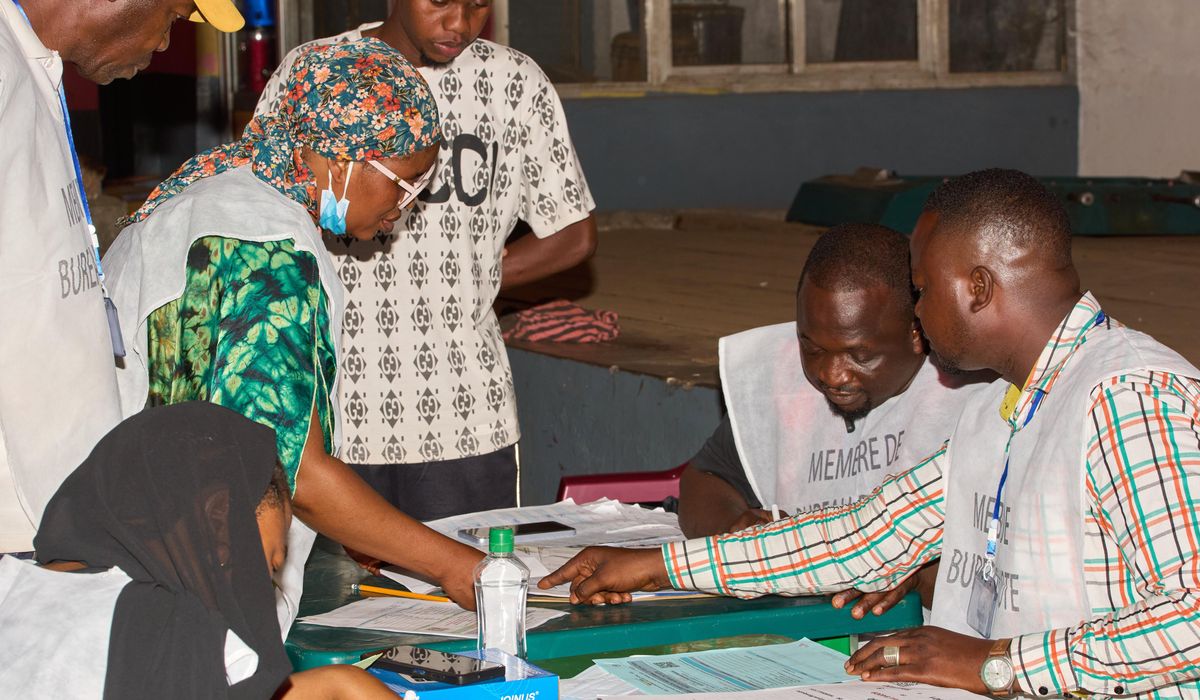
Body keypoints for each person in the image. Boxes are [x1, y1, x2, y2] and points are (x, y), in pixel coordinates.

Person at [541, 169, 1200, 698]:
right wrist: (659, 566)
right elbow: (870, 536)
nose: (917, 314)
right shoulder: (1007, 406)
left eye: (921, 289)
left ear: (977, 287)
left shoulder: (1127, 396)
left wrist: (995, 664)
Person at [102, 38, 484, 627]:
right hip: (186, 602)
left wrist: (366, 529)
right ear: (341, 158)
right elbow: (288, 469)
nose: (407, 205)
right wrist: (457, 566)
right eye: (405, 182)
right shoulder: (265, 251)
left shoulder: (222, 194)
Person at [254, 0, 598, 520]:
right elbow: (260, 210)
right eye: (439, 1)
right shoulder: (315, 71)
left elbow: (571, 233)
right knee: (331, 572)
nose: (459, 22)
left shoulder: (514, 82)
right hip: (329, 409)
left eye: (478, 4)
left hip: (461, 410)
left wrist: (473, 280)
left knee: (465, 568)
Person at [0, 0, 244, 553]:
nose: (165, 43)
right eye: (176, 16)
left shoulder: (30, 61)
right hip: (15, 516)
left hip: (59, 502)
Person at [0, 402, 395, 698]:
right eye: (265, 565)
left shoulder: (11, 587)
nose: (261, 590)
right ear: (220, 541)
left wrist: (342, 683)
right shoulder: (174, 632)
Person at [679, 223, 990, 539]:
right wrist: (734, 527)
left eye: (859, 355)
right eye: (813, 348)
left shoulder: (973, 392)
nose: (831, 374)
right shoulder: (781, 376)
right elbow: (706, 477)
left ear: (916, 332)